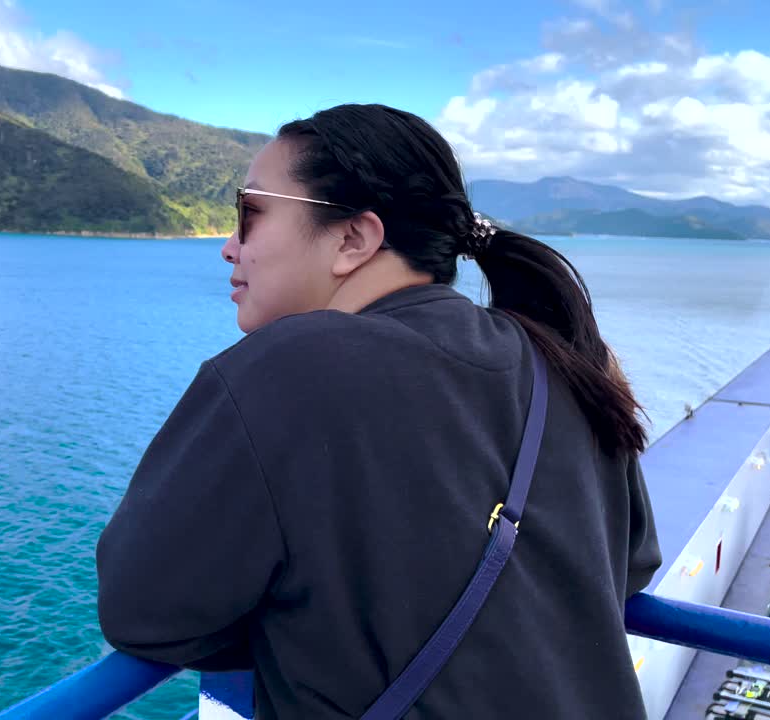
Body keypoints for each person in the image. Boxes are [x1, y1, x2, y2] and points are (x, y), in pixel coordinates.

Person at [94, 104, 662, 719]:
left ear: (352, 239)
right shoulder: (561, 359)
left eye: (250, 214)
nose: (229, 248)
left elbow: (142, 611)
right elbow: (632, 565)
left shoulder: (287, 366)